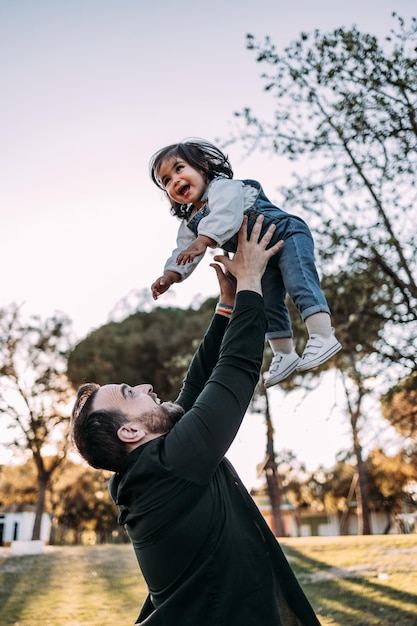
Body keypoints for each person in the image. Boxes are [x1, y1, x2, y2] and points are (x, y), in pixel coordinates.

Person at [71, 217, 321, 626]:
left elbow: (196, 386)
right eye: (131, 394)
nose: (147, 385)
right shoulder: (167, 469)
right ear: (130, 431)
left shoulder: (155, 467)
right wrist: (252, 281)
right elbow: (236, 371)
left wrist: (226, 306)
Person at [150, 138, 341, 387]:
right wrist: (171, 275)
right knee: (268, 302)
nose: (174, 180)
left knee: (298, 280)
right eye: (166, 181)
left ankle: (322, 335)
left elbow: (226, 214)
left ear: (203, 166)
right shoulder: (191, 222)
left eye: (179, 169)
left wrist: (203, 241)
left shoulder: (223, 187)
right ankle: (284, 354)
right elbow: (182, 250)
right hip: (260, 255)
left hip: (286, 234)